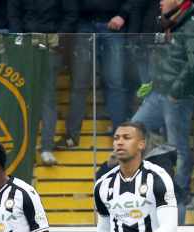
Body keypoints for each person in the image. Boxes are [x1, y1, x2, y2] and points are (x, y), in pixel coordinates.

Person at [131, 0, 194, 217]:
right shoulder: (169, 22)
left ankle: (179, 193)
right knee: (134, 129)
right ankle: (142, 184)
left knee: (178, 146)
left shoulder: (193, 25)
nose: (161, 2)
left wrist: (175, 91)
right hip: (158, 93)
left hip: (177, 98)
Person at [56, 0, 138, 150]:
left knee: (115, 83)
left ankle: (121, 137)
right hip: (84, 24)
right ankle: (71, 136)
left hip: (114, 25)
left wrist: (122, 15)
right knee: (79, 83)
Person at [7, 0, 79, 166]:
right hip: (25, 46)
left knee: (47, 99)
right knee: (25, 99)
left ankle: (46, 148)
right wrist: (20, 37)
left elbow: (71, 13)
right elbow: (13, 15)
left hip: (51, 45)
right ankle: (28, 150)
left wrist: (58, 36)